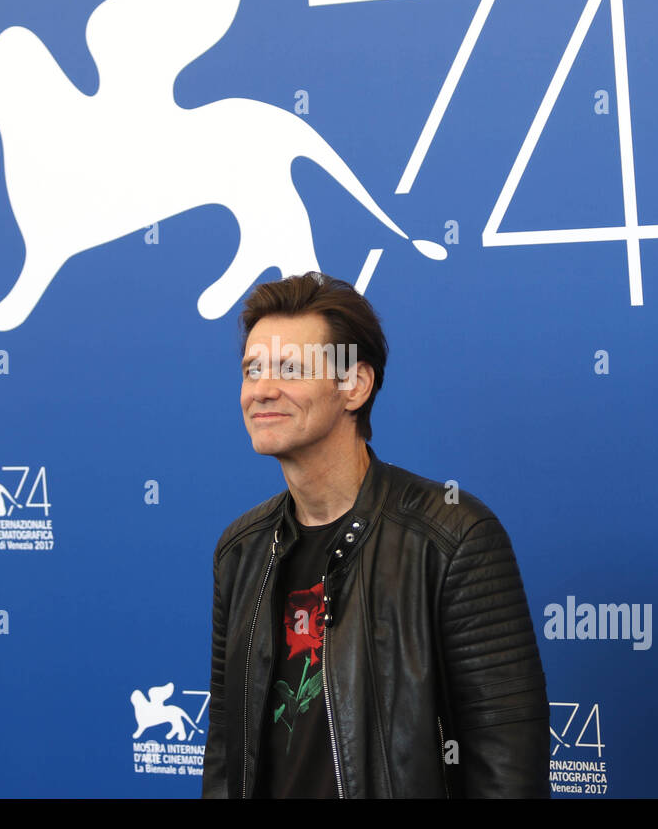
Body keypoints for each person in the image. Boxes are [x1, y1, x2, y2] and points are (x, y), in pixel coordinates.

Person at [201, 271, 548, 798]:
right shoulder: (241, 551)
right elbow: (227, 759)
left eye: (289, 368)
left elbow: (507, 767)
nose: (263, 389)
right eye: (253, 369)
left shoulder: (452, 538)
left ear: (354, 385)